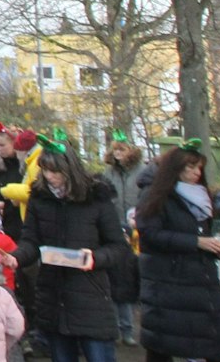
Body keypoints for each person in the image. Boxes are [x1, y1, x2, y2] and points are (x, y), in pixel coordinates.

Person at [14, 146, 128, 362]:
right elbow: (30, 241)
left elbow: (118, 247)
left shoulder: (97, 199)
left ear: (70, 170)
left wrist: (95, 258)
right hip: (54, 295)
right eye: (45, 171)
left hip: (90, 295)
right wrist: (16, 257)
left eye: (55, 171)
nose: (49, 177)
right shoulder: (40, 198)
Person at [136, 144, 220, 362]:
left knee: (215, 340)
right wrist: (196, 242)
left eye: (199, 168)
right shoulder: (155, 195)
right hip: (168, 281)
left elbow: (202, 237)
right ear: (175, 168)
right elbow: (150, 234)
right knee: (164, 342)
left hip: (202, 280)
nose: (196, 173)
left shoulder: (202, 197)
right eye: (190, 167)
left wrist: (217, 249)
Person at [95, 140, 149, 342]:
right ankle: (118, 326)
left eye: (122, 149)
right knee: (118, 276)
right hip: (115, 224)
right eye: (115, 149)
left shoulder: (141, 171)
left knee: (134, 274)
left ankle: (131, 323)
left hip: (138, 224)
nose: (117, 153)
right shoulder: (109, 172)